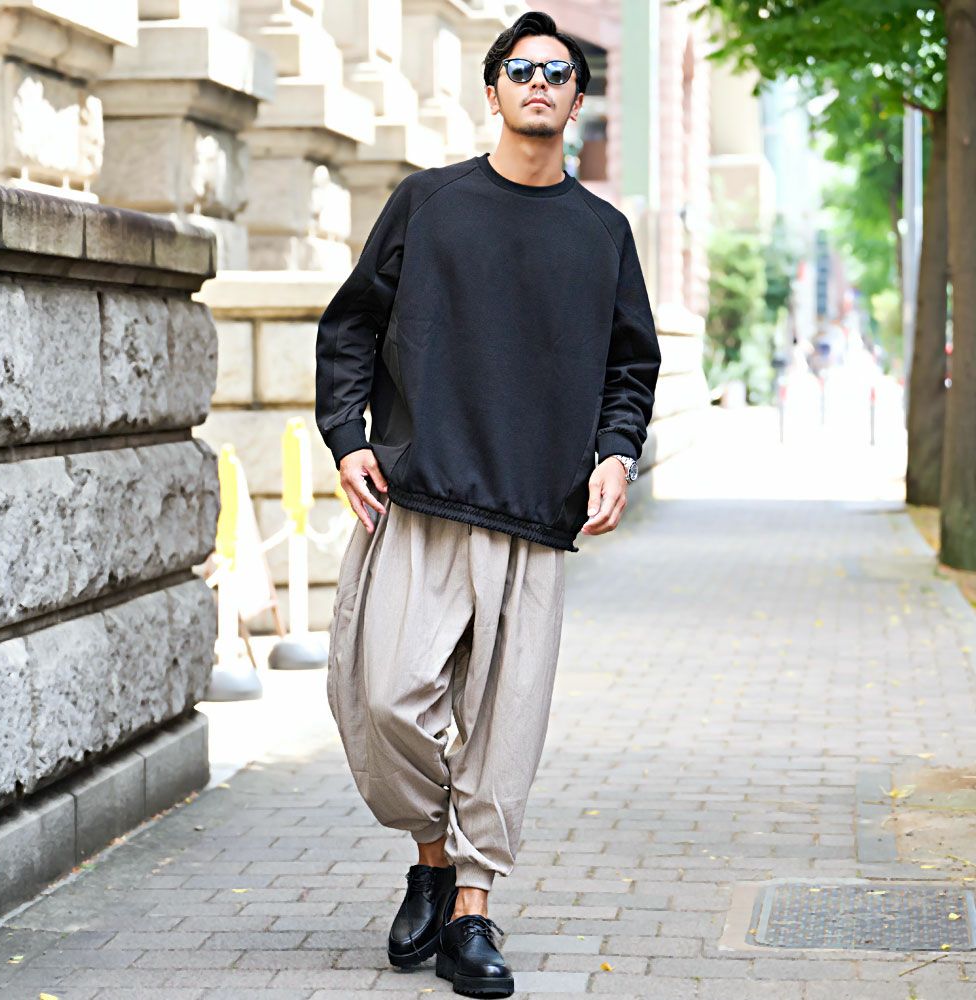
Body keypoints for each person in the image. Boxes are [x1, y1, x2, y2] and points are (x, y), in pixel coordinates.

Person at [314, 11, 661, 997]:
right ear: (494, 89)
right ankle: (431, 856)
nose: (538, 82)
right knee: (382, 700)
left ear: (578, 99)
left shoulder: (602, 233)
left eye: (557, 71)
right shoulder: (428, 203)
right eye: (521, 69)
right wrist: (346, 436)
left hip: (535, 514)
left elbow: (629, 364)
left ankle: (470, 909)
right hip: (419, 495)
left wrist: (617, 453)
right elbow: (351, 325)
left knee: (503, 735)